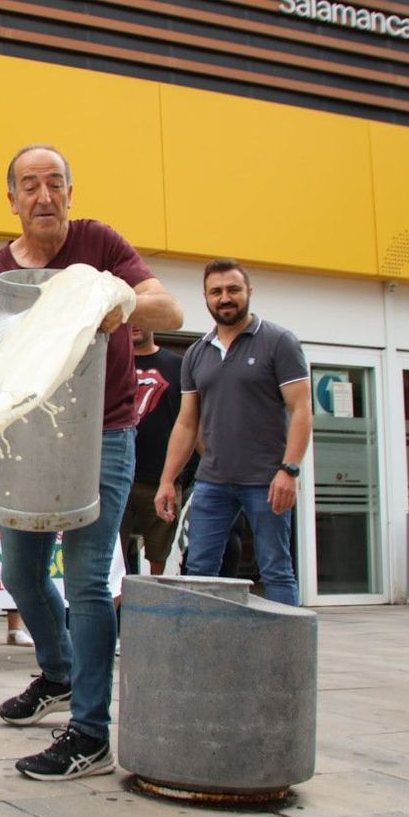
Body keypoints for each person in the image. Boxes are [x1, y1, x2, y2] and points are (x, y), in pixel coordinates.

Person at [0, 144, 181, 782]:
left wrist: (109, 304)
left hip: (104, 435)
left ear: (70, 192)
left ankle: (90, 732)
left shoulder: (99, 244)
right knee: (18, 573)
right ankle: (59, 674)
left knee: (89, 582)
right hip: (22, 439)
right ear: (12, 200)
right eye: (29, 185)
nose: (43, 196)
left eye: (54, 183)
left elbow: (168, 311)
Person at [154, 259, 312, 608]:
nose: (225, 298)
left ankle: (282, 657)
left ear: (248, 292)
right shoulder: (196, 353)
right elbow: (186, 423)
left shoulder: (278, 342)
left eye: (233, 290)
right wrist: (168, 480)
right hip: (212, 482)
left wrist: (290, 470)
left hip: (267, 481)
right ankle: (200, 651)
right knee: (199, 570)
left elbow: (301, 409)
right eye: (216, 292)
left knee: (276, 570)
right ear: (206, 298)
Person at [119, 326, 194, 576]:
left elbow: (192, 422)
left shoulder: (178, 366)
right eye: (130, 318)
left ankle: (152, 610)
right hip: (115, 478)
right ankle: (114, 613)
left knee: (160, 556)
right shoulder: (111, 363)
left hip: (163, 480)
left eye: (144, 317)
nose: (136, 324)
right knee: (112, 558)